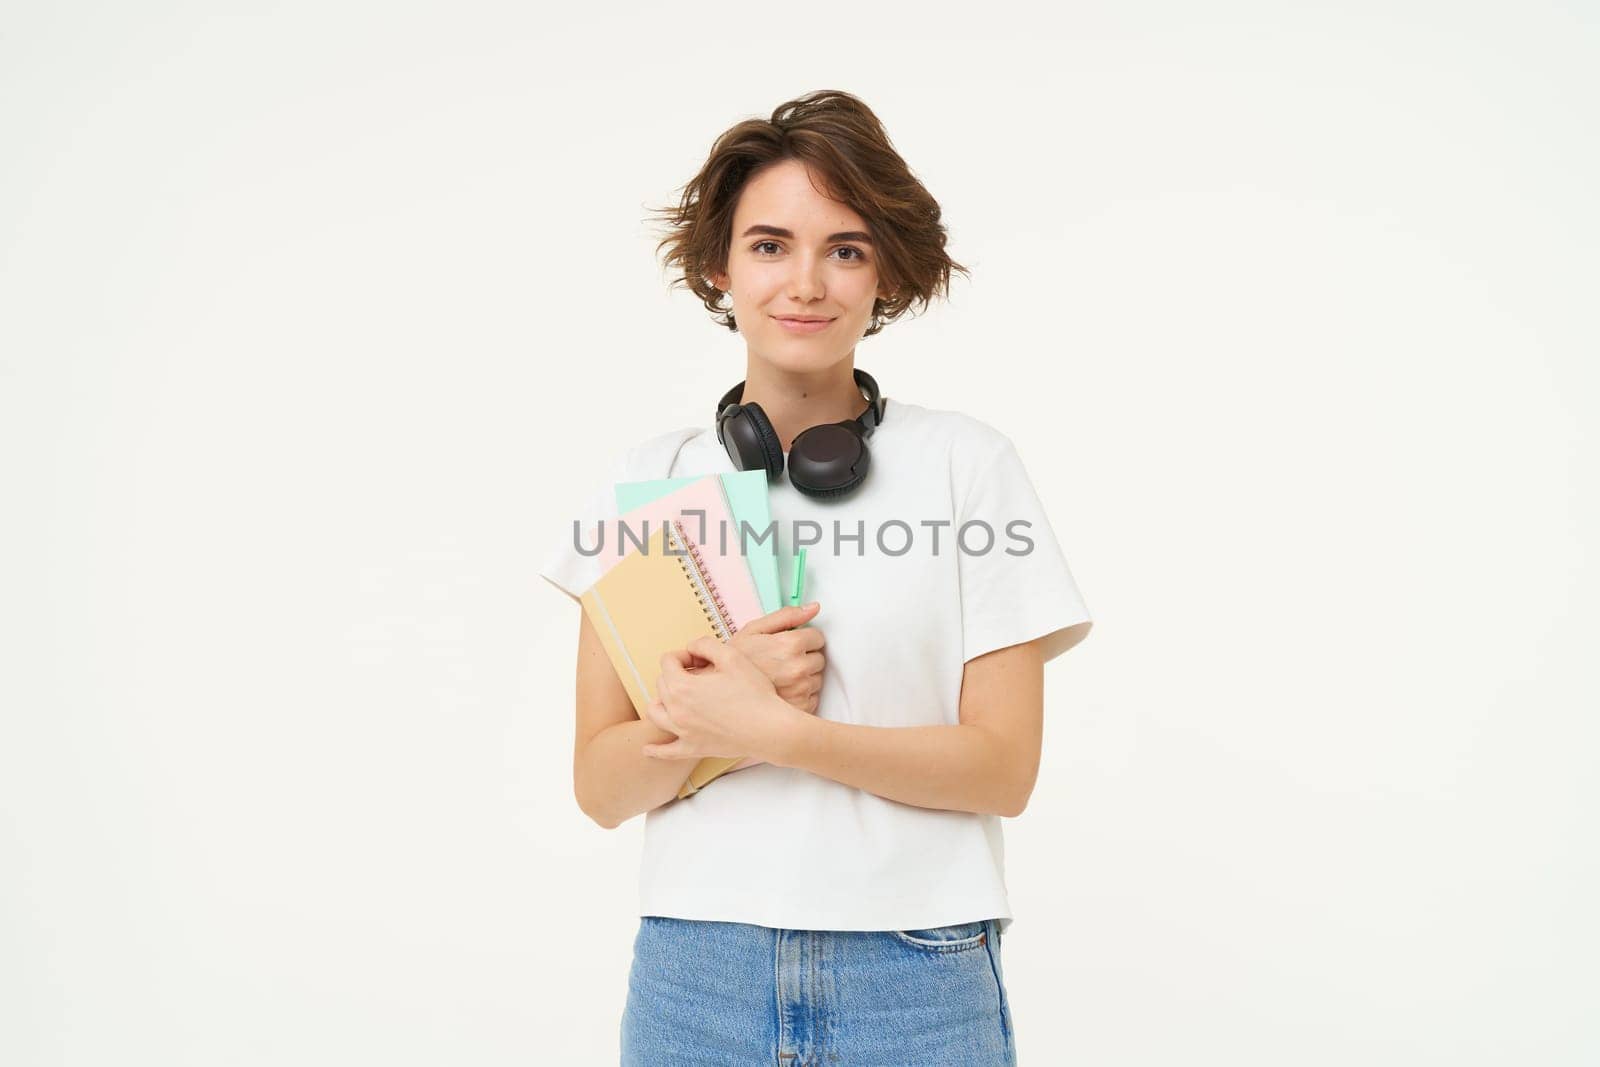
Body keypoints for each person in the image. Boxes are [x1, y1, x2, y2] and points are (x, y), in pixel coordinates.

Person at [539, 89, 1093, 1066]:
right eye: (768, 245)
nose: (806, 282)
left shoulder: (967, 464)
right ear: (719, 265)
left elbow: (1003, 767)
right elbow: (599, 784)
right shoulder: (652, 480)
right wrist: (709, 713)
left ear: (886, 271)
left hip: (915, 971)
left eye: (845, 247)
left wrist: (781, 732)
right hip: (694, 973)